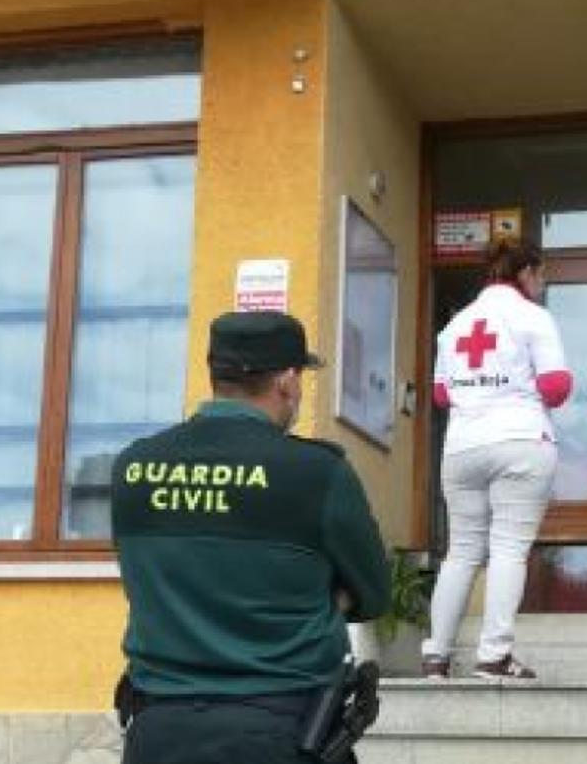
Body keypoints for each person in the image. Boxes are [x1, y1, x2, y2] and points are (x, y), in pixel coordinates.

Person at [111, 310, 390, 764]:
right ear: (285, 380)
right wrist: (318, 599)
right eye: (299, 376)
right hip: (280, 732)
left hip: (157, 735)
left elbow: (149, 578)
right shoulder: (316, 473)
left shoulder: (134, 466)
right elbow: (373, 594)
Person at [421, 239, 573, 680]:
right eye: (541, 275)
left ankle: (436, 654)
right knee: (509, 547)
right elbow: (556, 386)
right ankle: (494, 654)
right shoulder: (533, 317)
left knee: (461, 552)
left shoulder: (454, 327)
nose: (542, 284)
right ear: (526, 273)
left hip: (463, 446)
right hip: (520, 440)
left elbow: (441, 394)